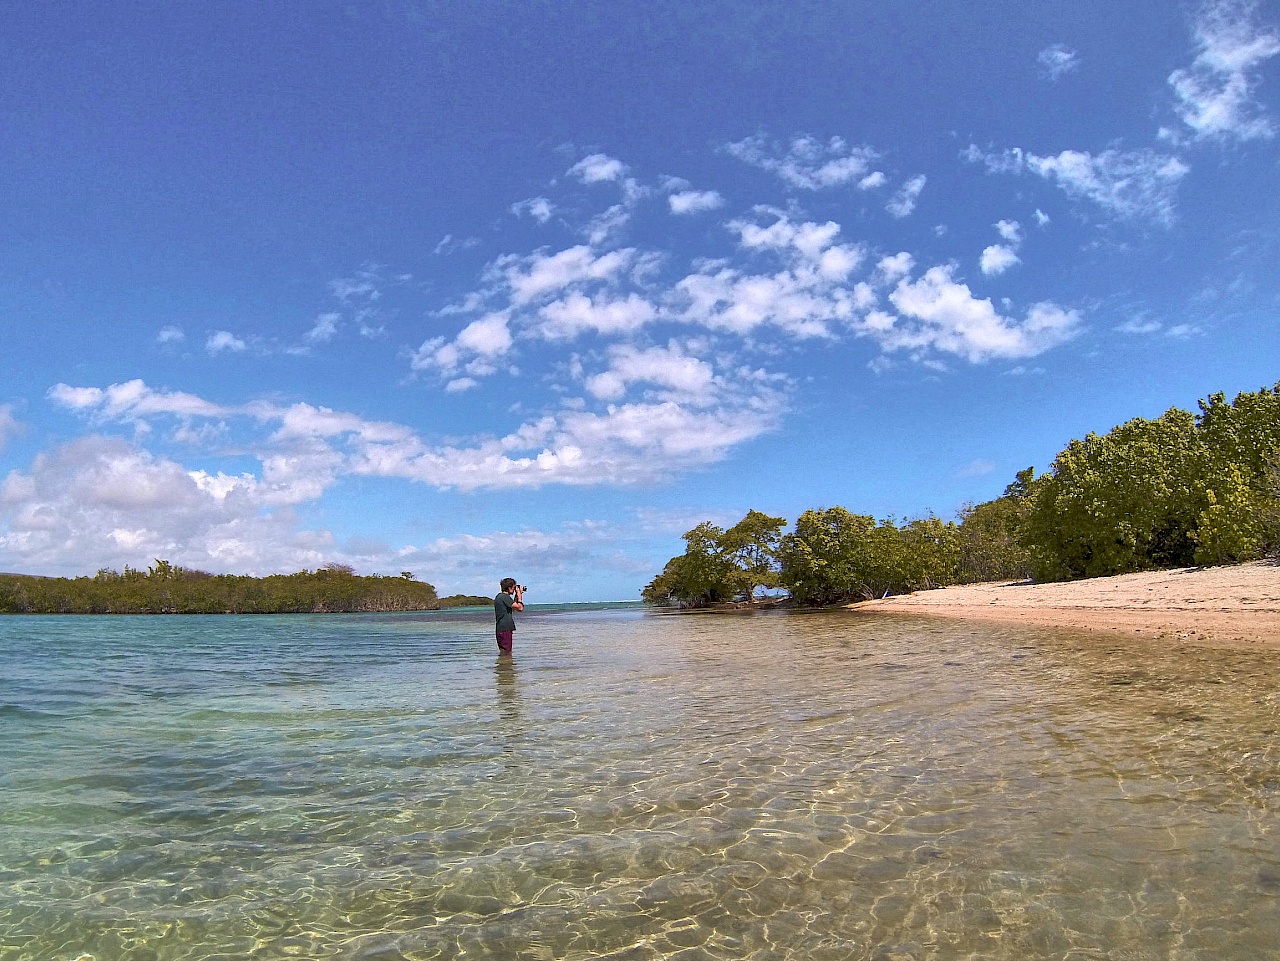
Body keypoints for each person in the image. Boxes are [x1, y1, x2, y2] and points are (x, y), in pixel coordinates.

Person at [493, 578, 524, 656]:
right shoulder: (504, 597)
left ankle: (504, 666)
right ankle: (505, 667)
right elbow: (520, 608)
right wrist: (519, 596)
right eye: (514, 588)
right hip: (505, 629)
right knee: (506, 653)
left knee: (504, 652)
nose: (514, 590)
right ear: (509, 588)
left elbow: (513, 608)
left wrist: (517, 595)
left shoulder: (501, 597)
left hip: (502, 628)